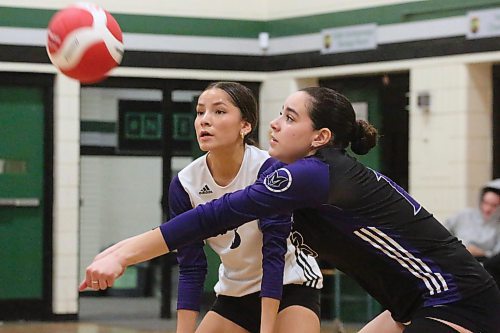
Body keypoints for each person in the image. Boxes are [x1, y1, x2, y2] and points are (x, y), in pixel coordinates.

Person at [81, 87, 500, 333]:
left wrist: (123, 253)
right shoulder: (308, 173)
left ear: (320, 136)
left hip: (455, 301)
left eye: (289, 117)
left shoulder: (311, 175)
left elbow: (216, 215)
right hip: (413, 303)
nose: (276, 124)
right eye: (279, 114)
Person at [93, 82, 323, 333]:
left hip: (290, 285)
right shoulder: (185, 184)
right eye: (200, 112)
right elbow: (191, 266)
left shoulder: (270, 170)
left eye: (219, 111)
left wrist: (265, 330)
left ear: (245, 125)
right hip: (234, 293)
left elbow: (274, 253)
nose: (205, 120)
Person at [445, 179, 500, 285]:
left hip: (483, 271)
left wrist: (482, 253)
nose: (487, 209)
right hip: (454, 262)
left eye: (494, 206)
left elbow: (496, 259)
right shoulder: (465, 215)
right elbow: (442, 232)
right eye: (485, 203)